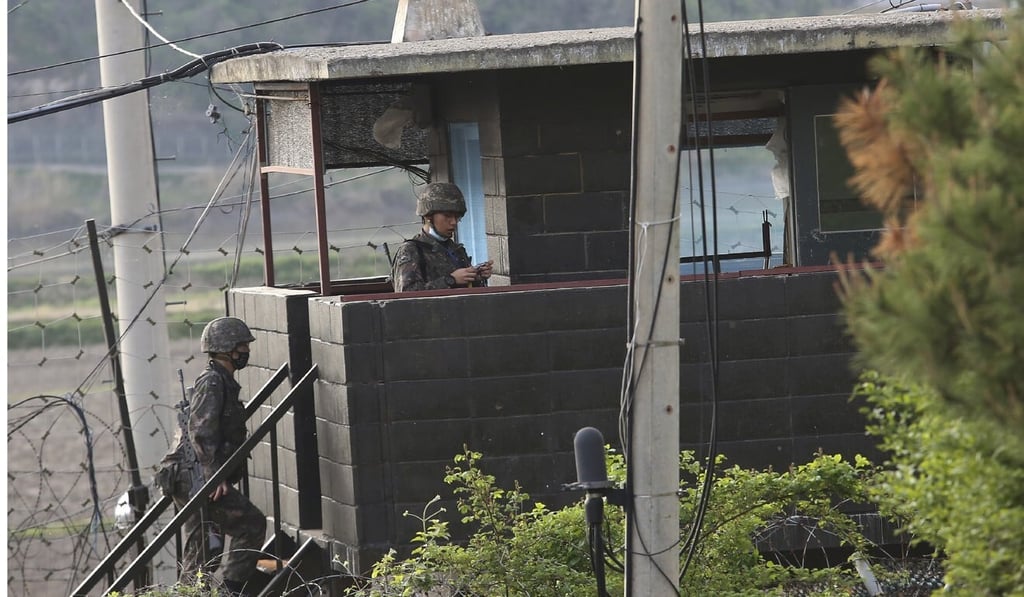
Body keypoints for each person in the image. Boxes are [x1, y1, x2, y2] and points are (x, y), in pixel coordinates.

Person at [157, 316, 267, 596]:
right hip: (195, 476)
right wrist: (214, 475)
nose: (246, 351)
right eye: (242, 345)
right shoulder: (213, 382)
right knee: (251, 523)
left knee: (203, 550)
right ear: (227, 348)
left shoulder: (222, 381)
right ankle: (231, 590)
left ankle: (192, 593)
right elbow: (201, 431)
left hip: (193, 475)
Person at [391, 182, 493, 292]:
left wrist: (475, 277)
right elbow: (406, 294)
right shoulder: (411, 250)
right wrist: (450, 280)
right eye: (447, 216)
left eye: (457, 217)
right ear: (428, 216)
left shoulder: (456, 250)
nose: (454, 222)